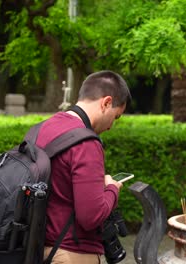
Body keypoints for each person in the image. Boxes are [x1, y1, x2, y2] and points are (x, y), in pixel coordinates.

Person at [38, 70, 131, 263]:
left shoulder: (44, 128)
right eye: (116, 116)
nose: (111, 126)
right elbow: (91, 216)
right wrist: (112, 188)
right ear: (106, 103)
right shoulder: (86, 143)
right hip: (71, 254)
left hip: (37, 248)